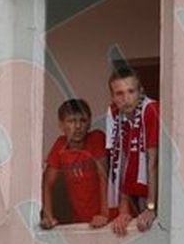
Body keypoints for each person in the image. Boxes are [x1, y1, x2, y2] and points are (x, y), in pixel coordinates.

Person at [105, 67, 160, 235]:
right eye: (119, 93)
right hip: (133, 192)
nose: (126, 98)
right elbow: (118, 161)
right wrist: (123, 211)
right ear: (113, 97)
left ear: (141, 91)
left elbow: (153, 162)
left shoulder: (151, 110)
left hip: (158, 191)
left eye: (131, 91)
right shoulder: (113, 113)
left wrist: (151, 208)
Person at [40, 99, 109, 229]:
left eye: (82, 120)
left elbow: (103, 176)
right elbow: (47, 182)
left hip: (109, 218)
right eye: (71, 121)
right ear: (61, 125)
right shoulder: (60, 145)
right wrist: (48, 215)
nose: (77, 126)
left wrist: (104, 214)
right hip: (81, 220)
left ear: (89, 123)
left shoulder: (97, 138)